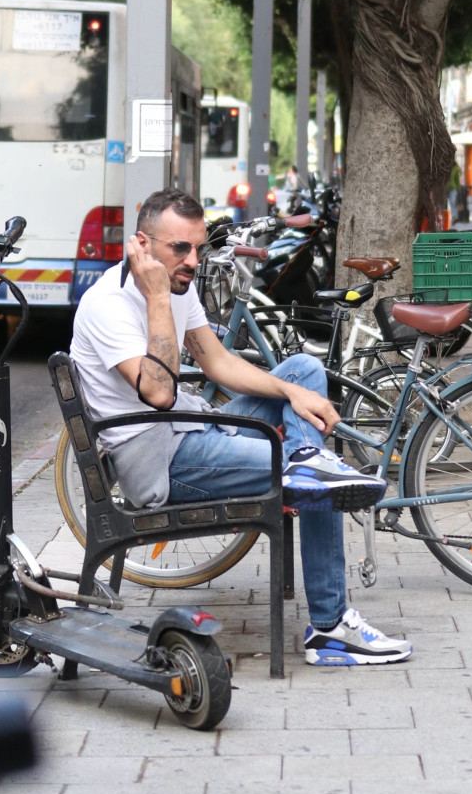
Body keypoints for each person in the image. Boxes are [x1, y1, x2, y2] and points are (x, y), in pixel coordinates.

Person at [70, 187, 413, 668]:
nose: (193, 260)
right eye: (179, 249)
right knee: (320, 481)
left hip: (192, 430)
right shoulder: (109, 304)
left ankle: (306, 463)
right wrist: (158, 302)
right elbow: (159, 393)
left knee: (304, 372)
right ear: (142, 246)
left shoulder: (176, 286)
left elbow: (217, 362)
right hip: (159, 461)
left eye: (198, 247)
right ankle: (331, 626)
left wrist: (291, 392)